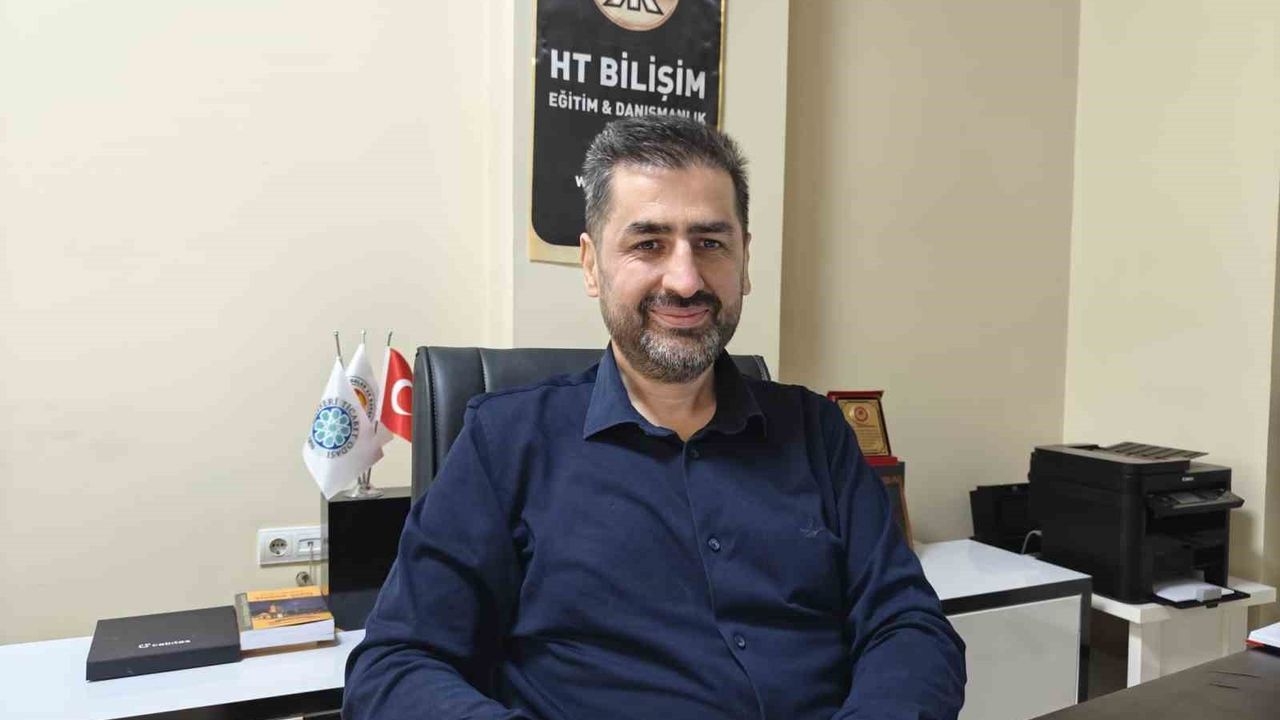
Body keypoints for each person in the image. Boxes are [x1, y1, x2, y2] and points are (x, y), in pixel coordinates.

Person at [344, 115, 966, 719]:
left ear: (745, 260)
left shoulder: (818, 433)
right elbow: (396, 666)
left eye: (711, 243)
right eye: (648, 244)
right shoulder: (504, 443)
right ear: (592, 265)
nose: (686, 280)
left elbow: (909, 625)